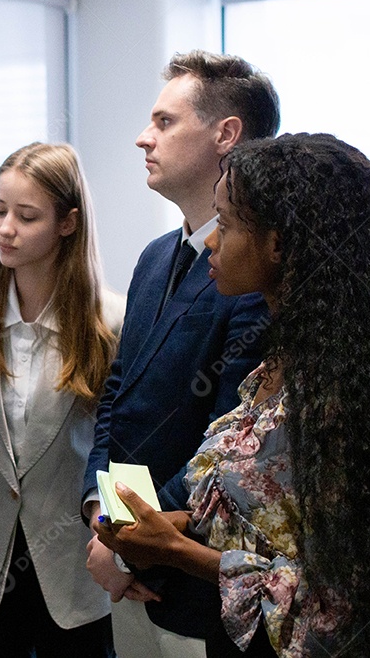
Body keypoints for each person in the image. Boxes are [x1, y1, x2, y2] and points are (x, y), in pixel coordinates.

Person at [95, 132, 370, 657]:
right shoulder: (280, 359)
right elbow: (264, 514)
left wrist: (176, 550)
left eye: (230, 224)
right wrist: (167, 525)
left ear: (279, 243)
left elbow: (334, 596)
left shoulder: (342, 393)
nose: (212, 242)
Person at [83, 50, 280, 656]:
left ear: (226, 134)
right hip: (128, 554)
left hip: (197, 578)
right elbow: (118, 397)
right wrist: (105, 515)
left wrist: (134, 540)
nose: (144, 137)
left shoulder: (255, 277)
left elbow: (226, 448)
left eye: (165, 122)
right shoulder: (152, 258)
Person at [0, 143, 125, 657]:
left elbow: (113, 445)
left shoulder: (111, 323)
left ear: (68, 223)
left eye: (26, 216)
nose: (5, 228)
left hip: (72, 562)